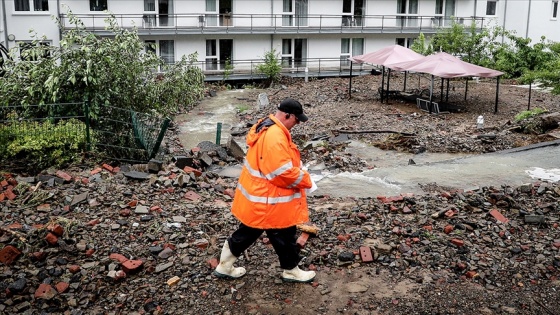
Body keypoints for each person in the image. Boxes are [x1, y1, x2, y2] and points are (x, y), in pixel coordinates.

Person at [214, 98, 316, 283]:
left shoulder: (266, 126)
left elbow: (272, 165)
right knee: (283, 233)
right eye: (297, 119)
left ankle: (224, 265)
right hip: (270, 199)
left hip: (260, 198)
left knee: (248, 233)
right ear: (287, 115)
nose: (298, 123)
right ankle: (291, 270)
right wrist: (306, 179)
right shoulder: (275, 136)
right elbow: (281, 173)